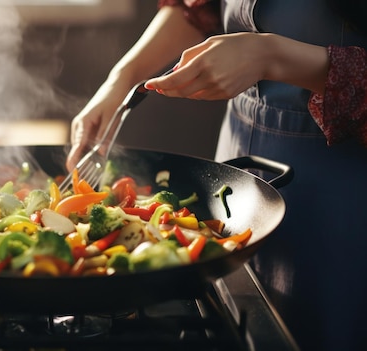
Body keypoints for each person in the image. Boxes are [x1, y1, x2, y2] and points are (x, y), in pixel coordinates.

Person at [65, 1, 367, 350]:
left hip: (344, 196)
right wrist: (121, 79)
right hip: (237, 179)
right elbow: (200, 8)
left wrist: (270, 55)